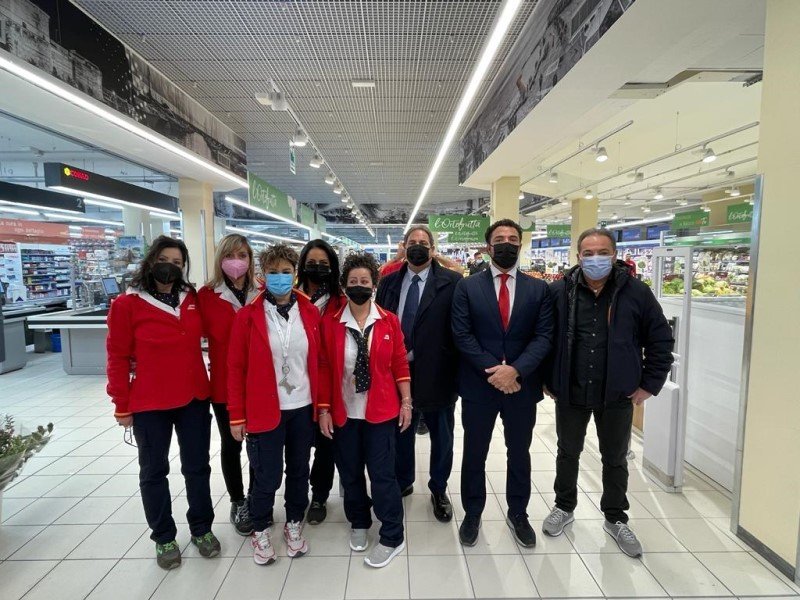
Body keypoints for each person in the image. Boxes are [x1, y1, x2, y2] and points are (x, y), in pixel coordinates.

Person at [543, 228, 673, 558]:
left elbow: (660, 340)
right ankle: (564, 506)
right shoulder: (560, 291)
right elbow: (546, 339)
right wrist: (548, 378)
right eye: (588, 253)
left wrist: (649, 384)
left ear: (614, 255)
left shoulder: (636, 293)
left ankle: (616, 518)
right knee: (567, 451)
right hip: (570, 390)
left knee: (615, 458)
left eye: (602, 252)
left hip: (616, 392)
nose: (595, 258)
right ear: (578, 257)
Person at [107, 235, 220, 570]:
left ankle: (201, 528)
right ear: (151, 260)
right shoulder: (127, 304)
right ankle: (164, 536)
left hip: (194, 397)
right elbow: (116, 356)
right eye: (164, 259)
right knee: (154, 470)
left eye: (177, 262)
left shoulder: (192, 299)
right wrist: (121, 403)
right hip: (150, 401)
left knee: (197, 467)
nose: (170, 266)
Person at [451, 219, 553, 548]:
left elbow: (544, 336)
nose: (506, 243)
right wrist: (496, 370)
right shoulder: (467, 287)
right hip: (479, 386)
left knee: (519, 452)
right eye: (499, 239)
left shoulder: (538, 289)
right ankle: (473, 511)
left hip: (521, 386)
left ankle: (518, 513)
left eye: (513, 238)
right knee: (474, 452)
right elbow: (462, 335)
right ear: (488, 246)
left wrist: (516, 370)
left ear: (520, 245)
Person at [317, 252, 412, 568]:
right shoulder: (330, 324)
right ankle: (359, 522)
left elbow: (399, 363)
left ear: (374, 285)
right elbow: (323, 366)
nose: (359, 286)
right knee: (350, 473)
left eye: (365, 281)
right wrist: (324, 409)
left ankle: (392, 536)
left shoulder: (389, 322)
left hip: (381, 413)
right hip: (345, 414)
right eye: (353, 281)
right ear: (344, 285)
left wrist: (407, 402)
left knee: (383, 476)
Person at [227, 244, 320, 566]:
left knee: (298, 470)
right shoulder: (247, 316)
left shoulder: (310, 312)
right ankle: (261, 527)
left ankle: (294, 522)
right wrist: (236, 415)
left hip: (302, 404)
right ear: (262, 276)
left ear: (295, 275)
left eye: (285, 272)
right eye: (273, 272)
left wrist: (321, 406)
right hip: (264, 408)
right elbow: (235, 368)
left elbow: (319, 362)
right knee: (266, 474)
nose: (279, 278)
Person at [376, 224, 461, 522]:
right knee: (400, 431)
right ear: (403, 246)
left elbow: (459, 328)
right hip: (395, 371)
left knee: (442, 435)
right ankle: (404, 480)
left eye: (423, 243)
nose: (418, 246)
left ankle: (439, 488)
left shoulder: (452, 281)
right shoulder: (388, 282)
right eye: (412, 242)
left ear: (433, 249)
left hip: (438, 371)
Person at [197, 234, 259, 536]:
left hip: (261, 383)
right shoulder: (207, 295)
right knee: (231, 445)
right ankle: (238, 500)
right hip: (223, 385)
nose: (237, 261)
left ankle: (259, 497)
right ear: (221, 258)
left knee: (261, 445)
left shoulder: (262, 291)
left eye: (243, 255)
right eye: (231, 254)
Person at [296, 239, 345, 525]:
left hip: (331, 386)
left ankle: (319, 495)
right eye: (312, 263)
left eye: (324, 264)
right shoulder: (289, 298)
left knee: (327, 446)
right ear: (302, 266)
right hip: (298, 385)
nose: (317, 268)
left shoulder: (341, 302)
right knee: (299, 447)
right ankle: (297, 494)